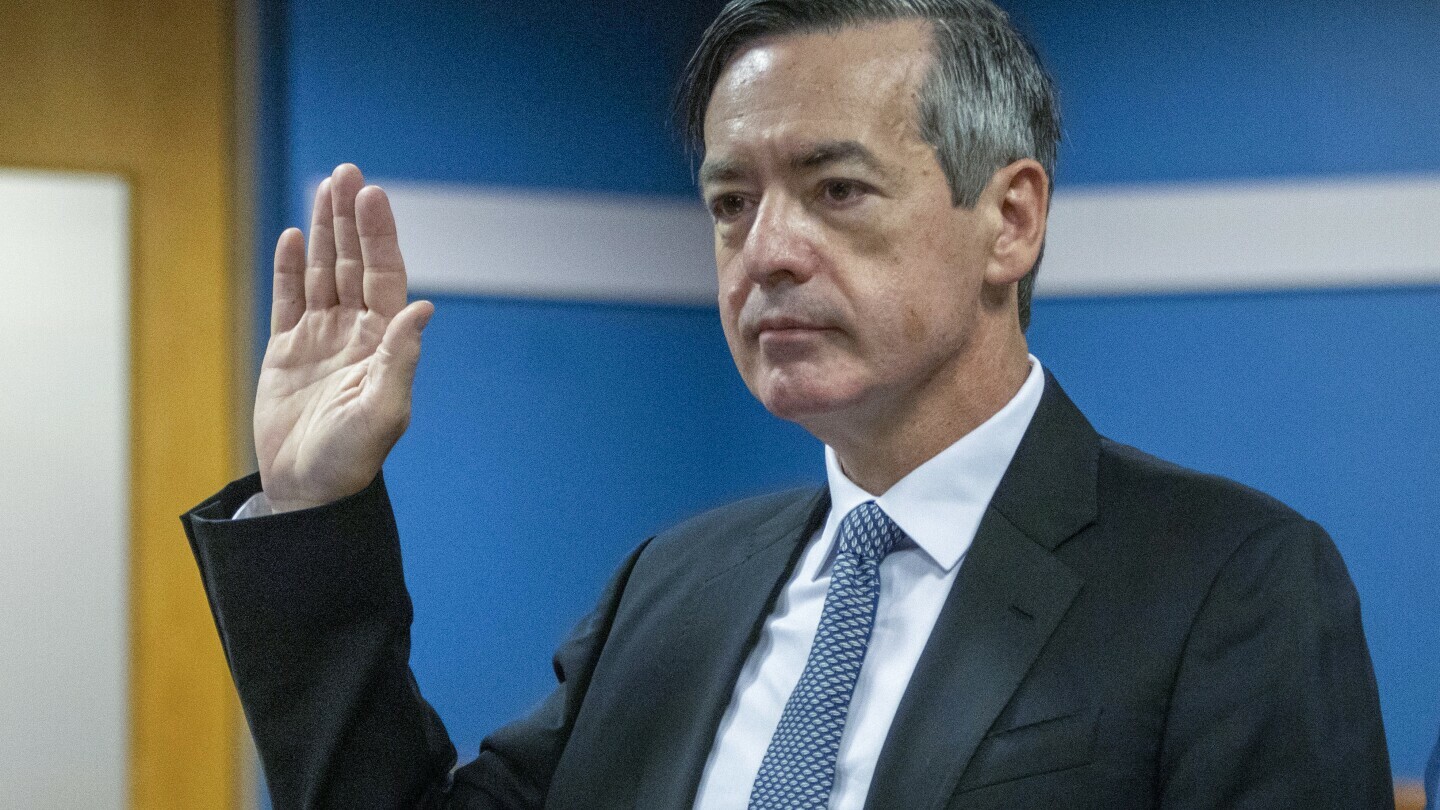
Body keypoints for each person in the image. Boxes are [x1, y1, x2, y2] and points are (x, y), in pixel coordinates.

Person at [182, 1, 1393, 807]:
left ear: (1009, 219)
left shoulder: (1234, 582)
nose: (765, 252)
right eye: (729, 203)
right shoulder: (675, 583)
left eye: (835, 189)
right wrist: (312, 501)